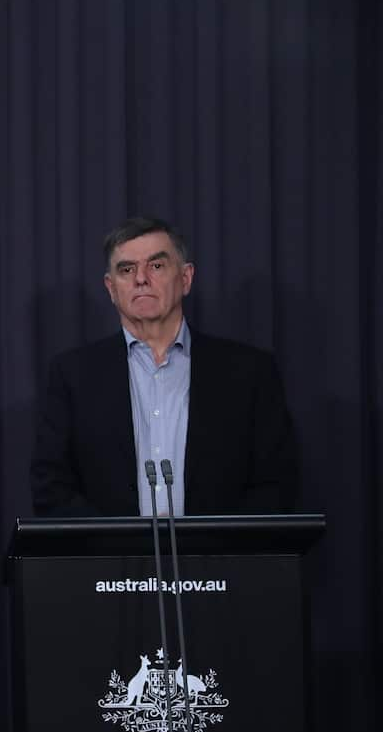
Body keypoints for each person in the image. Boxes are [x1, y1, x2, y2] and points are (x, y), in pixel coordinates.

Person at [30, 216, 298, 516]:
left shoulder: (250, 373)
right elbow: (51, 488)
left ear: (185, 278)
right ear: (110, 288)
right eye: (127, 269)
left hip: (219, 560)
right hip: (112, 561)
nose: (141, 278)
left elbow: (276, 485)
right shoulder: (72, 375)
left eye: (156, 266)